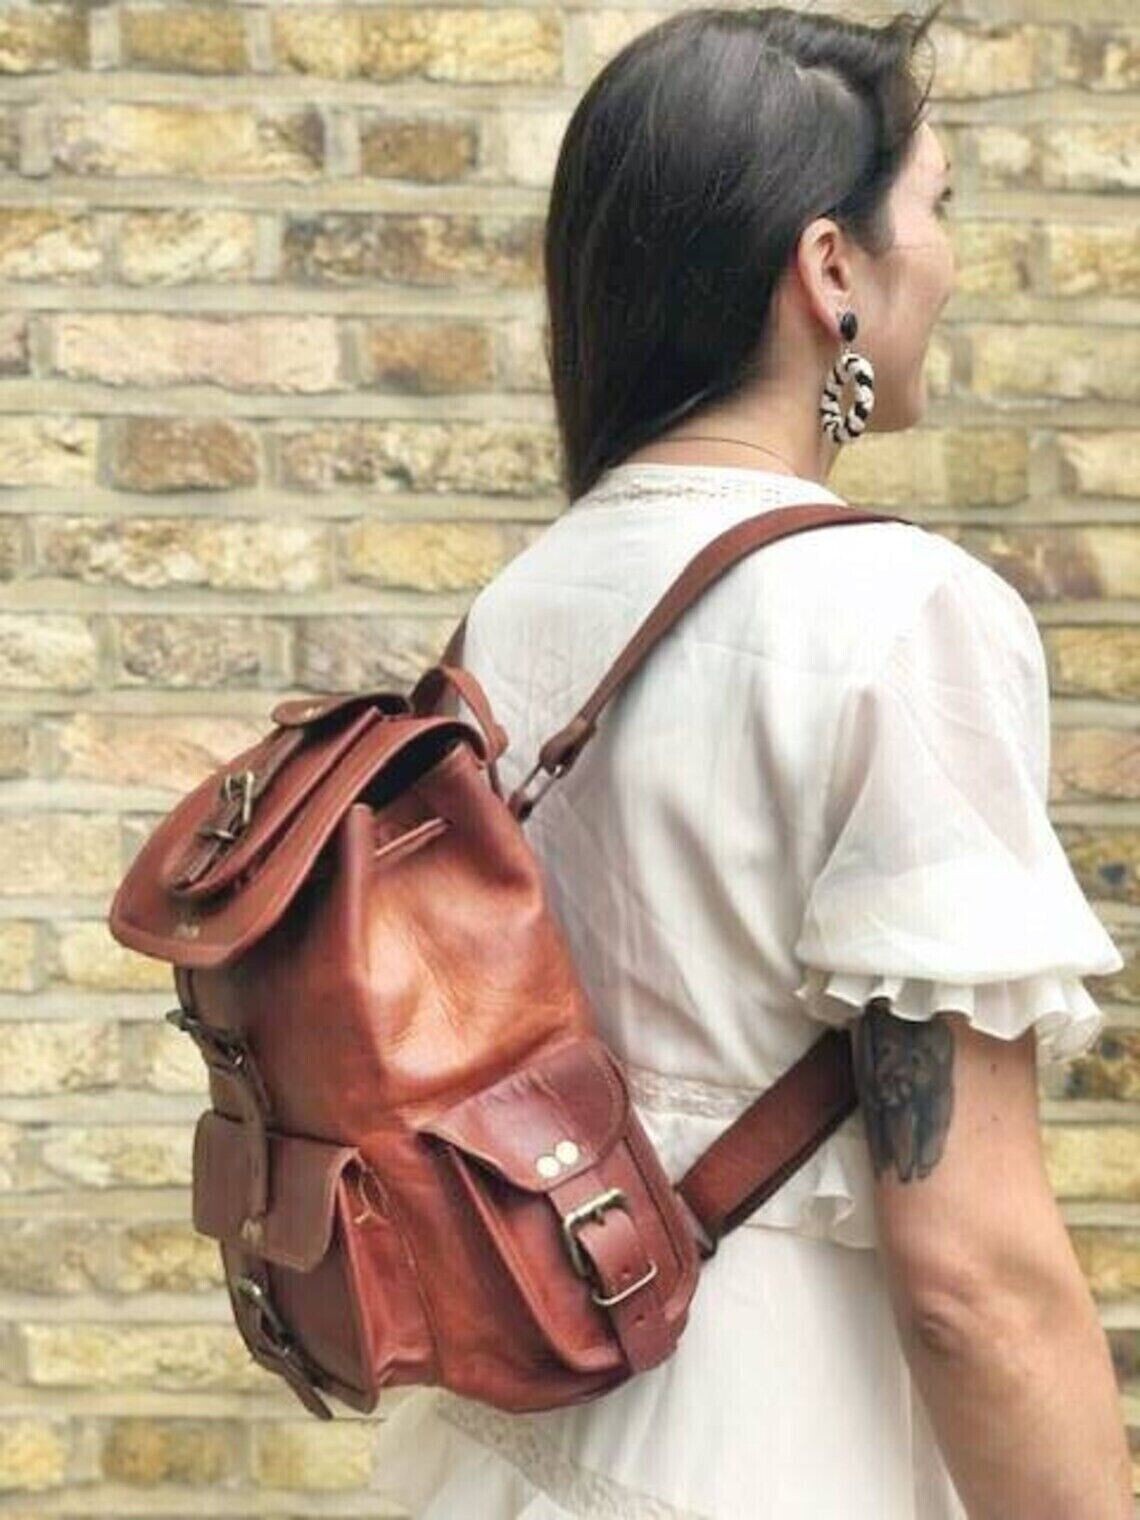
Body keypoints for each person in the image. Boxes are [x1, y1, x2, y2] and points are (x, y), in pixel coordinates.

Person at [369, 5, 1133, 1516]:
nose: (948, 259)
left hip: (510, 1445)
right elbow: (971, 1280)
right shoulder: (908, 614)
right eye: (937, 207)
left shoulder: (522, 601)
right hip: (779, 1454)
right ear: (831, 268)